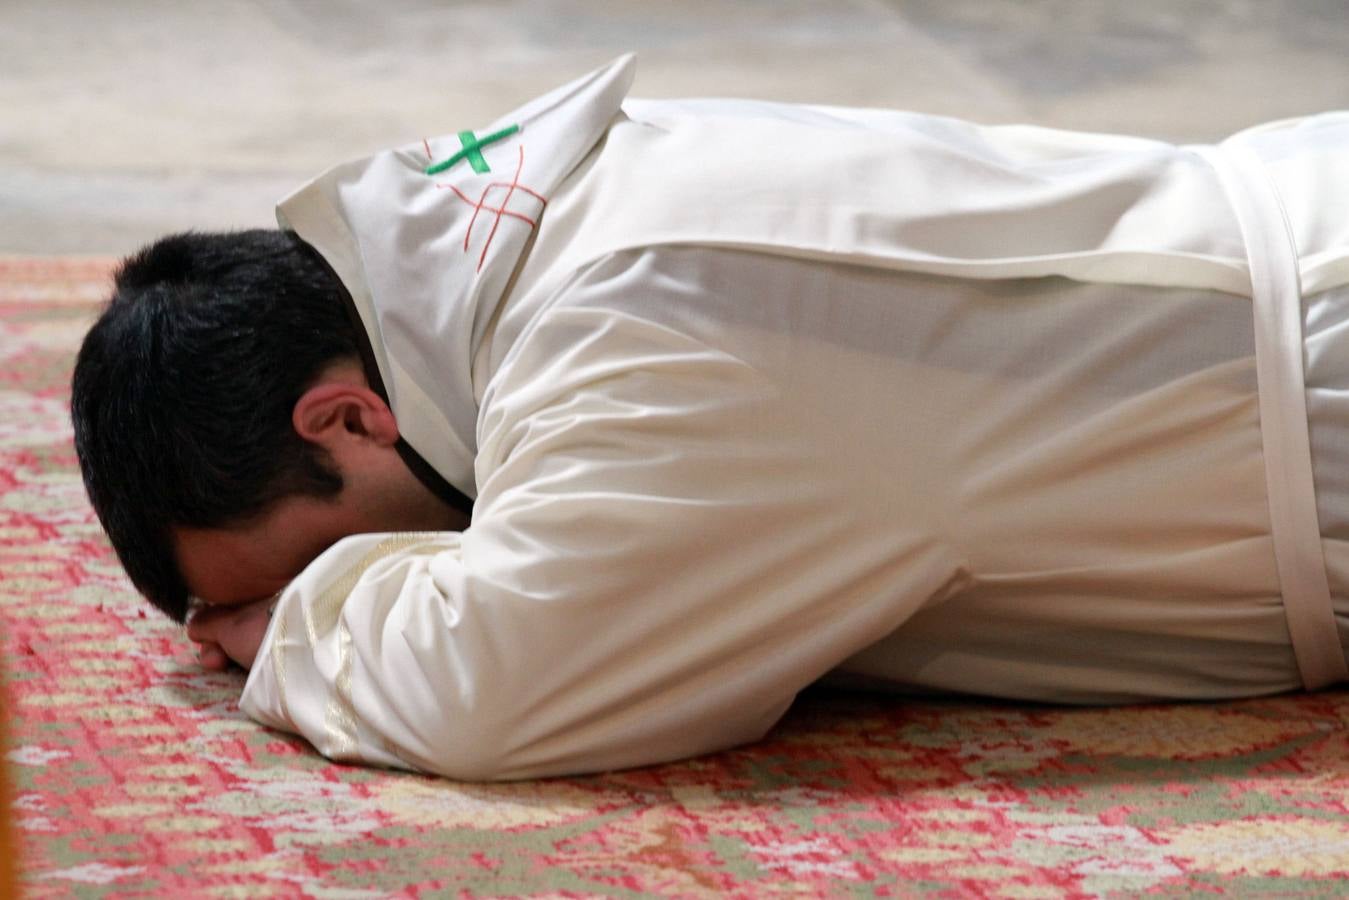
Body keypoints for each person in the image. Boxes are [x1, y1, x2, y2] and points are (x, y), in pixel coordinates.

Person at [72, 56, 1349, 781]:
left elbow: (505, 685)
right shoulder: (516, 240)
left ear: (344, 419)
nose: (286, 605)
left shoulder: (627, 328)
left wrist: (296, 632)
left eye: (304, 564)